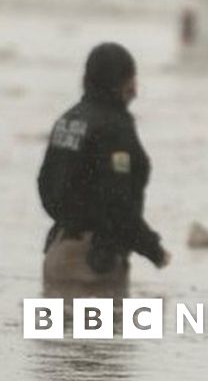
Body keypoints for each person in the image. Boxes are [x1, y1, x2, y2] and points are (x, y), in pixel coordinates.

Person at [38, 42, 169, 300]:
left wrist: (69, 221)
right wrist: (153, 249)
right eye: (132, 78)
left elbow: (45, 184)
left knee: (61, 339)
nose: (136, 88)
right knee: (105, 338)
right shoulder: (114, 128)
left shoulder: (69, 120)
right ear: (124, 82)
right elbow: (118, 202)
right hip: (92, 266)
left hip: (57, 256)